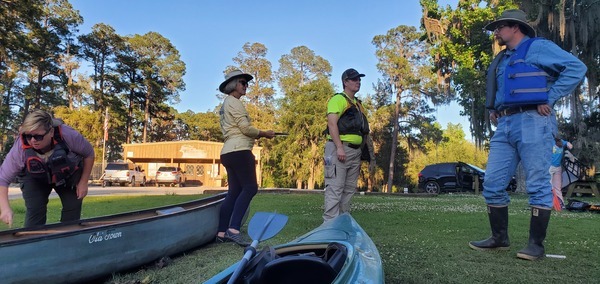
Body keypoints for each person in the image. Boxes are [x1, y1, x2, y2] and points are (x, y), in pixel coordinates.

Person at [468, 9, 587, 260]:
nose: (496, 32)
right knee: (492, 183)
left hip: (535, 120)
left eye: (500, 27)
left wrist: (549, 97)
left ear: (515, 28)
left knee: (537, 183)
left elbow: (576, 68)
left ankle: (536, 245)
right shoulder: (502, 58)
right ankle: (499, 238)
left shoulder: (537, 47)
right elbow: (503, 88)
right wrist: (495, 108)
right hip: (505, 124)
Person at [0, 110, 95, 228]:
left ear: (51, 132)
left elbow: (89, 154)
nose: (33, 140)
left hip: (67, 175)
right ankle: (34, 243)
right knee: (35, 212)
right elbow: (3, 179)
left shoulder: (68, 135)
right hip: (34, 177)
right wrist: (5, 208)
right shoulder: (20, 148)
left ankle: (68, 240)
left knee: (72, 208)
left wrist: (83, 182)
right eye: (28, 136)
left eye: (38, 136)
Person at [215, 70, 275, 246]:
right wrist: (264, 133)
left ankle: (220, 232)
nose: (246, 86)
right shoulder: (234, 102)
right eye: (243, 82)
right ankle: (233, 230)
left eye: (246, 83)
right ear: (233, 84)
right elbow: (245, 128)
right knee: (250, 188)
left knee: (234, 192)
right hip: (240, 151)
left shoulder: (225, 104)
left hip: (227, 152)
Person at [323, 68, 373, 221]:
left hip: (354, 152)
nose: (358, 82)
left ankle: (342, 223)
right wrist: (339, 147)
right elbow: (332, 124)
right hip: (339, 149)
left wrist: (370, 157)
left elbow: (365, 132)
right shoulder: (338, 99)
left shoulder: (358, 105)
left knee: (349, 190)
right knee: (335, 188)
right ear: (345, 82)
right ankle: (329, 226)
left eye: (359, 79)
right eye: (354, 79)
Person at [550, 137, 573, 211]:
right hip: (549, 167)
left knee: (557, 187)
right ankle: (548, 203)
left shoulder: (562, 142)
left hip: (557, 167)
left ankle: (560, 204)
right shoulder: (549, 142)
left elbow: (569, 145)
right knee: (549, 186)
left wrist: (569, 145)